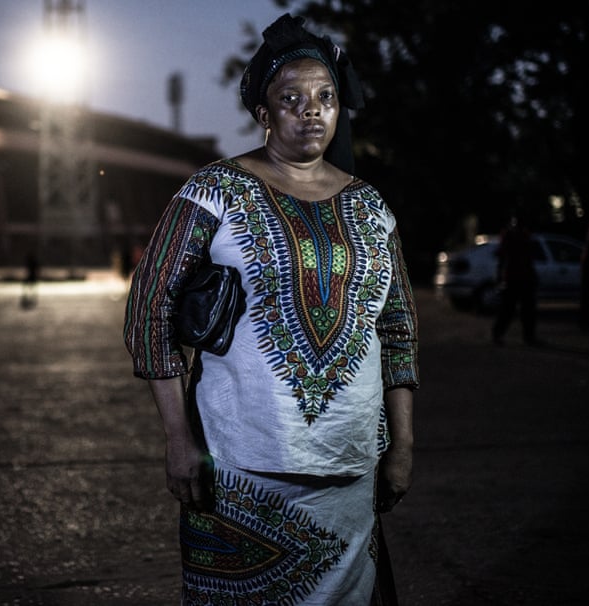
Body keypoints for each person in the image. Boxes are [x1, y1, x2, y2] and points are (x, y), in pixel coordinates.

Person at [123, 14, 419, 605]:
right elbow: (148, 313)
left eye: (325, 97)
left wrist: (403, 445)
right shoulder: (213, 191)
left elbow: (399, 329)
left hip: (350, 464)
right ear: (264, 114)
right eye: (292, 99)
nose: (311, 110)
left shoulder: (370, 206)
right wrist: (178, 439)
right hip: (239, 467)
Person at [490, 214, 538, 345]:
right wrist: (500, 276)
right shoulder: (510, 236)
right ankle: (498, 334)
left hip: (522, 277)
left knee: (526, 309)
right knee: (508, 309)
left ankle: (528, 336)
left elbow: (528, 259)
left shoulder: (522, 235)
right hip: (513, 277)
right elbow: (502, 257)